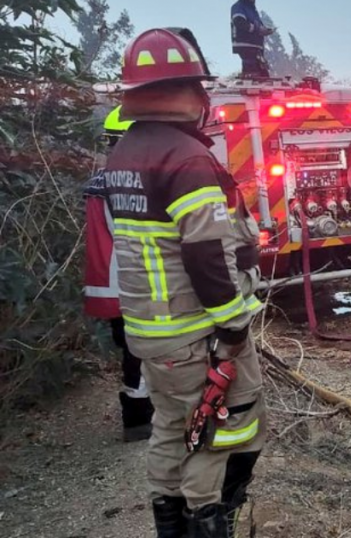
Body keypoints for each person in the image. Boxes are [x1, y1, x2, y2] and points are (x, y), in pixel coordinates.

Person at [108, 28, 265, 536]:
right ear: (190, 92)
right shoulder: (187, 159)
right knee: (223, 426)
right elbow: (204, 252)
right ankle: (208, 519)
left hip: (149, 329)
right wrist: (234, 326)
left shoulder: (125, 155)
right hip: (194, 329)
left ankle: (171, 525)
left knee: (172, 425)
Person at [83, 105, 154, 443]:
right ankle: (139, 422)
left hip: (110, 283)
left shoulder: (103, 178)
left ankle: (141, 418)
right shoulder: (124, 183)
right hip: (128, 283)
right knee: (140, 353)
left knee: (133, 351)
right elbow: (136, 237)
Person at [230, 0, 274, 78]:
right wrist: (258, 29)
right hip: (246, 44)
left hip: (256, 46)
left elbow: (255, 25)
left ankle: (255, 85)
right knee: (253, 74)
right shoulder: (239, 6)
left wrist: (263, 30)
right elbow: (239, 22)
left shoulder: (252, 9)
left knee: (262, 73)